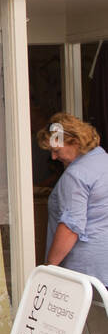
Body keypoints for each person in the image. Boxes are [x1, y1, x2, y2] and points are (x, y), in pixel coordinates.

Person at [37, 113, 108, 283]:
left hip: (86, 270)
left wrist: (50, 269)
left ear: (75, 142)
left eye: (56, 150)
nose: (53, 157)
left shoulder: (75, 175)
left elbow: (71, 227)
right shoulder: (103, 161)